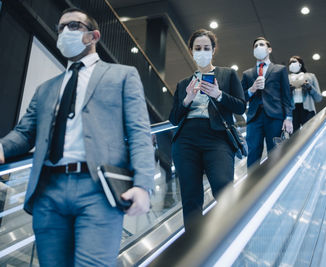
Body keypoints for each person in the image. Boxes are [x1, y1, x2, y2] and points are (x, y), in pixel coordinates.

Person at [0, 7, 154, 266]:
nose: (64, 32)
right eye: (60, 27)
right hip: (48, 192)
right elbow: (25, 133)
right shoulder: (46, 89)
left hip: (98, 190)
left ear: (93, 36)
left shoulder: (123, 75)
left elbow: (139, 132)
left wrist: (143, 185)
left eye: (73, 26)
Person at [169, 29, 246, 231]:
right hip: (186, 140)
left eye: (206, 48)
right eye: (197, 48)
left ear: (213, 51)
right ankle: (193, 252)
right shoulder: (184, 83)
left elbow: (240, 106)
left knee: (223, 186)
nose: (201, 51)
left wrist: (219, 94)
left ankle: (228, 237)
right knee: (191, 197)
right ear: (191, 51)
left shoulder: (227, 74)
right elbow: (174, 118)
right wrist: (186, 99)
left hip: (217, 137)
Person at [241, 37, 294, 168]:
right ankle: (252, 187)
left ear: (269, 49)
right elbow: (241, 98)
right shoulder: (247, 74)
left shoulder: (280, 70)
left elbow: (286, 96)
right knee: (253, 153)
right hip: (254, 118)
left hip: (275, 116)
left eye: (261, 44)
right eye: (255, 46)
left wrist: (288, 118)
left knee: (276, 153)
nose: (258, 47)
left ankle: (277, 185)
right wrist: (252, 89)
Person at [288, 56, 323, 131]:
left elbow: (319, 98)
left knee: (309, 134)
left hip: (308, 110)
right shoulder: (286, 78)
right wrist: (288, 91)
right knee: (294, 138)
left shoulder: (311, 76)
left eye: (294, 62)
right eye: (290, 63)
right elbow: (282, 98)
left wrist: (309, 87)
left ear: (300, 64)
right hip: (292, 111)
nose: (291, 64)